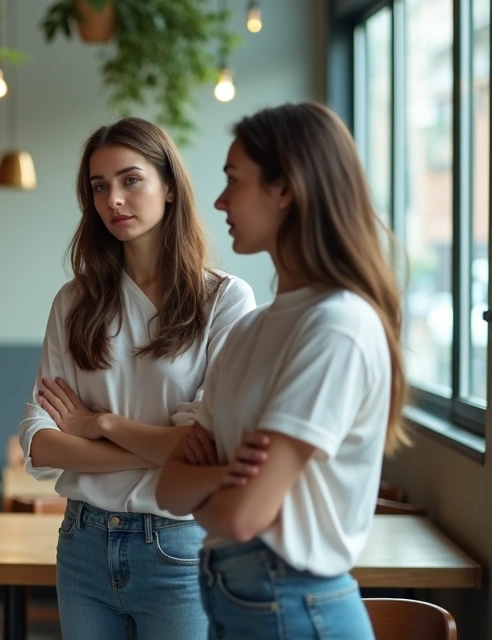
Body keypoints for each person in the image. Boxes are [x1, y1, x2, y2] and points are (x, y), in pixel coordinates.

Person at [155, 101, 408, 640]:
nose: (219, 200)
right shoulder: (249, 330)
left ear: (286, 189)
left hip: (295, 608)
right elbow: (168, 490)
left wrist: (209, 487)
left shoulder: (337, 326)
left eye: (234, 179)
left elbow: (243, 516)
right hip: (240, 603)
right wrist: (225, 476)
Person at [18, 117, 256, 639]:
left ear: (169, 186)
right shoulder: (74, 302)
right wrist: (162, 447)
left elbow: (207, 446)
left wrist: (99, 423)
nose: (114, 200)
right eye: (99, 187)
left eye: (130, 180)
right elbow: (39, 441)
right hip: (83, 541)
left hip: (178, 544)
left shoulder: (224, 300)